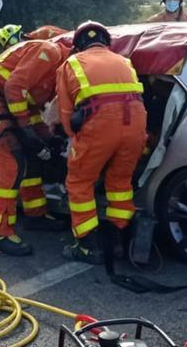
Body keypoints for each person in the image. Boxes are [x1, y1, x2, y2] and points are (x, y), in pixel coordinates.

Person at [54, 21, 147, 263]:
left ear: (78, 46)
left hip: (100, 125)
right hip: (136, 125)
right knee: (120, 182)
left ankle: (87, 246)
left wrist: (73, 139)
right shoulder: (124, 61)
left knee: (79, 181)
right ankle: (117, 241)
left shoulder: (72, 64)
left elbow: (65, 113)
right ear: (106, 43)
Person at [0, 38, 71, 255]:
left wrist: (46, 137)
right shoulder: (50, 53)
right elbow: (14, 87)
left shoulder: (54, 68)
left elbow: (30, 107)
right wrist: (26, 130)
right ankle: (0, 233)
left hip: (8, 101)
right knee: (12, 161)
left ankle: (35, 215)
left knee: (32, 158)